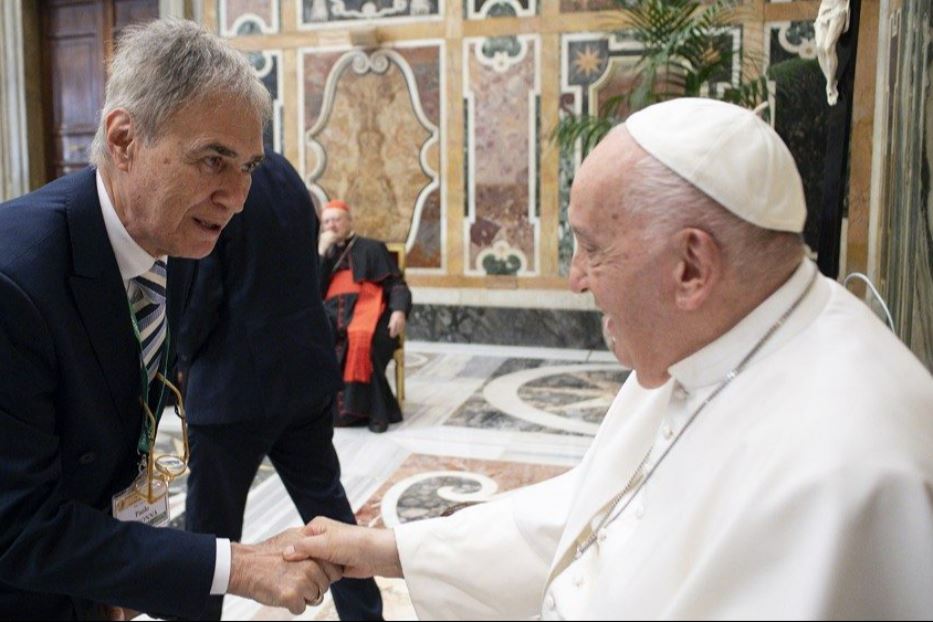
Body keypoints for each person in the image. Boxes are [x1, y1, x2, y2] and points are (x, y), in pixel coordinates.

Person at [284, 98, 933, 618]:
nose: (575, 280)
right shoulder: (706, 340)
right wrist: (394, 549)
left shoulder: (846, 473)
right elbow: (594, 519)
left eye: (591, 248)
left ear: (690, 266)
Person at [0, 20, 334, 619]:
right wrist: (240, 565)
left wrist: (117, 578)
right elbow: (17, 527)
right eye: (214, 161)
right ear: (124, 139)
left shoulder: (167, 237)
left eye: (249, 167)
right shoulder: (13, 281)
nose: (237, 196)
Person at [175, 150, 383, 620]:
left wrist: (180, 352)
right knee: (327, 513)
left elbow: (201, 290)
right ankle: (367, 615)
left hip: (233, 388)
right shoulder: (287, 174)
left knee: (208, 538)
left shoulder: (216, 182)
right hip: (302, 373)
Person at [318, 200, 412, 433]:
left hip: (371, 316)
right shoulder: (320, 253)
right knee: (313, 344)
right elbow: (311, 291)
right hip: (331, 318)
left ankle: (371, 413)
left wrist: (398, 311)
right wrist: (320, 253)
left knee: (366, 342)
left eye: (337, 219)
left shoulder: (372, 247)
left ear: (349, 221)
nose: (332, 225)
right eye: (327, 221)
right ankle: (320, 412)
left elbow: (397, 285)